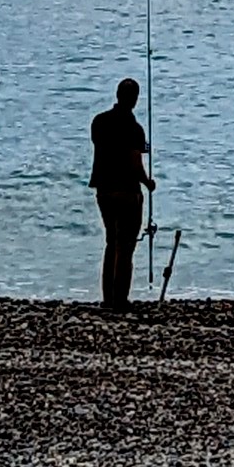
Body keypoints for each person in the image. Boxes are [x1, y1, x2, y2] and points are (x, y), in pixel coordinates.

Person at [89, 76, 152, 311]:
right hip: (127, 191)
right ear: (134, 99)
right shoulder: (135, 129)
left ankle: (108, 299)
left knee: (110, 243)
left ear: (117, 95)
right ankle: (120, 301)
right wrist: (147, 182)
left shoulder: (99, 122)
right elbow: (134, 162)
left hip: (103, 190)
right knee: (125, 248)